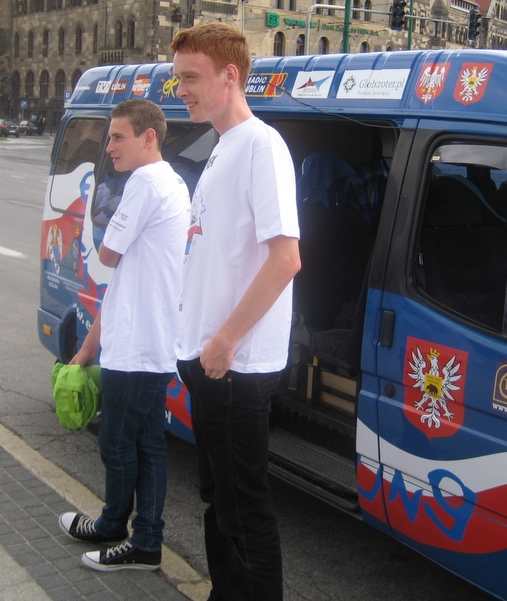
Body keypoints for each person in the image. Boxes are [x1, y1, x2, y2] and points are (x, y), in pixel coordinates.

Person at [171, 23, 301, 601]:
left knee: (244, 509)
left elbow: (286, 259)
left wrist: (223, 343)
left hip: (236, 367)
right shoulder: (223, 147)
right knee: (218, 503)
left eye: (190, 78)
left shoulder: (260, 146)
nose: (181, 90)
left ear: (231, 75)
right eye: (178, 79)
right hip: (209, 361)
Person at [58, 98, 190, 572]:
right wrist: (91, 342)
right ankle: (127, 530)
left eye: (117, 137)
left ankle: (135, 537)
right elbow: (126, 275)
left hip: (137, 348)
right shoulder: (171, 181)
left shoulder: (145, 182)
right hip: (146, 340)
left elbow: (109, 254)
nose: (108, 146)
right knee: (146, 443)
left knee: (117, 442)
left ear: (148, 137)